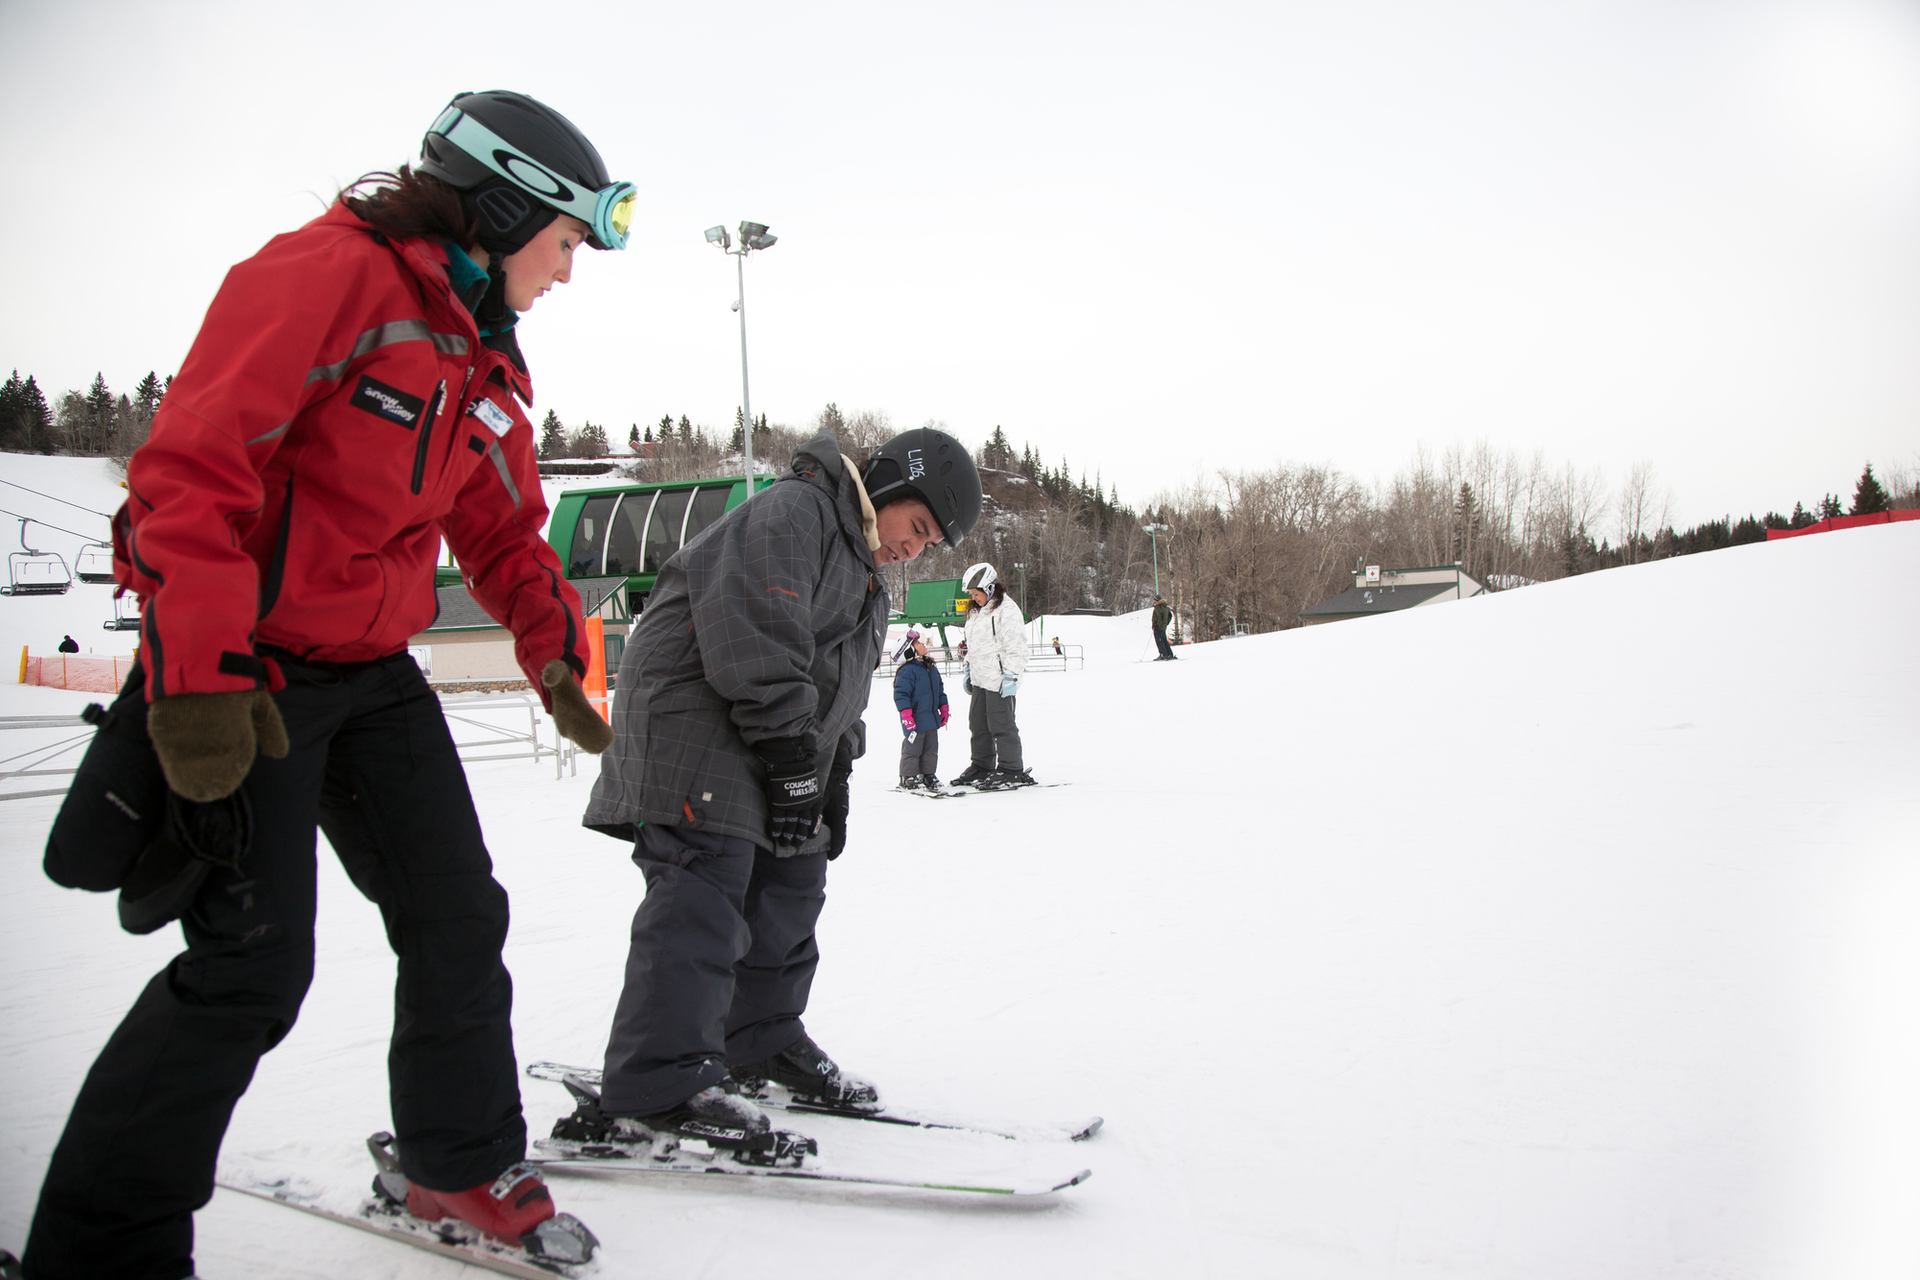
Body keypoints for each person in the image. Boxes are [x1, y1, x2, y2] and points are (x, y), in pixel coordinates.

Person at [24, 90, 628, 1277]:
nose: (566, 273)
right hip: (251, 675)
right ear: (503, 207)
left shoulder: (476, 347)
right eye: (562, 243)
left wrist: (551, 640)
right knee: (249, 964)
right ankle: (97, 1250)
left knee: (459, 912)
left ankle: (455, 1157)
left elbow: (502, 523)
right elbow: (187, 481)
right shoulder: (323, 279)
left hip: (371, 670)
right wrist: (196, 677)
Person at [571, 426, 983, 1162]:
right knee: (704, 884)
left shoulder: (862, 574)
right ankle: (653, 1085)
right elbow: (756, 637)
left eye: (929, 545)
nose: (913, 550)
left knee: (795, 874)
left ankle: (756, 1040)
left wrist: (833, 773)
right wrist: (794, 757)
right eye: (916, 528)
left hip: (763, 728)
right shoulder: (796, 513)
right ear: (889, 487)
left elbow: (845, 685)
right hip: (696, 716)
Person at [949, 562, 1033, 789]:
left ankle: (1011, 768)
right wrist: (968, 667)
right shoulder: (975, 612)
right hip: (980, 678)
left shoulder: (1007, 610)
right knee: (978, 725)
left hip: (999, 679)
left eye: (976, 593)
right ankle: (982, 765)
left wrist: (1012, 675)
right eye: (971, 594)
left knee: (1001, 724)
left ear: (988, 589)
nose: (973, 597)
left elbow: (1016, 646)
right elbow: (974, 645)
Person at [892, 634, 949, 789]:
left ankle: (927, 774)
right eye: (917, 643)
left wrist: (943, 707)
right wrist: (906, 714)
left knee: (931, 749)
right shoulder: (907, 671)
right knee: (912, 749)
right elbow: (901, 695)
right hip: (915, 720)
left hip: (931, 718)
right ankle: (908, 776)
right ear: (909, 650)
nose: (922, 644)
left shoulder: (930, 668)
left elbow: (940, 691)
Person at [1151, 595, 1177, 660]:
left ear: (1157, 600)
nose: (1153, 601)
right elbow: (1170, 616)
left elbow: (1158, 617)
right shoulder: (1165, 607)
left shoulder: (1158, 607)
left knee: (1159, 642)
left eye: (1154, 600)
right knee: (1164, 641)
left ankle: (1163, 655)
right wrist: (1165, 624)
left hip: (1158, 627)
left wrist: (1157, 624)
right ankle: (1169, 654)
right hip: (1163, 627)